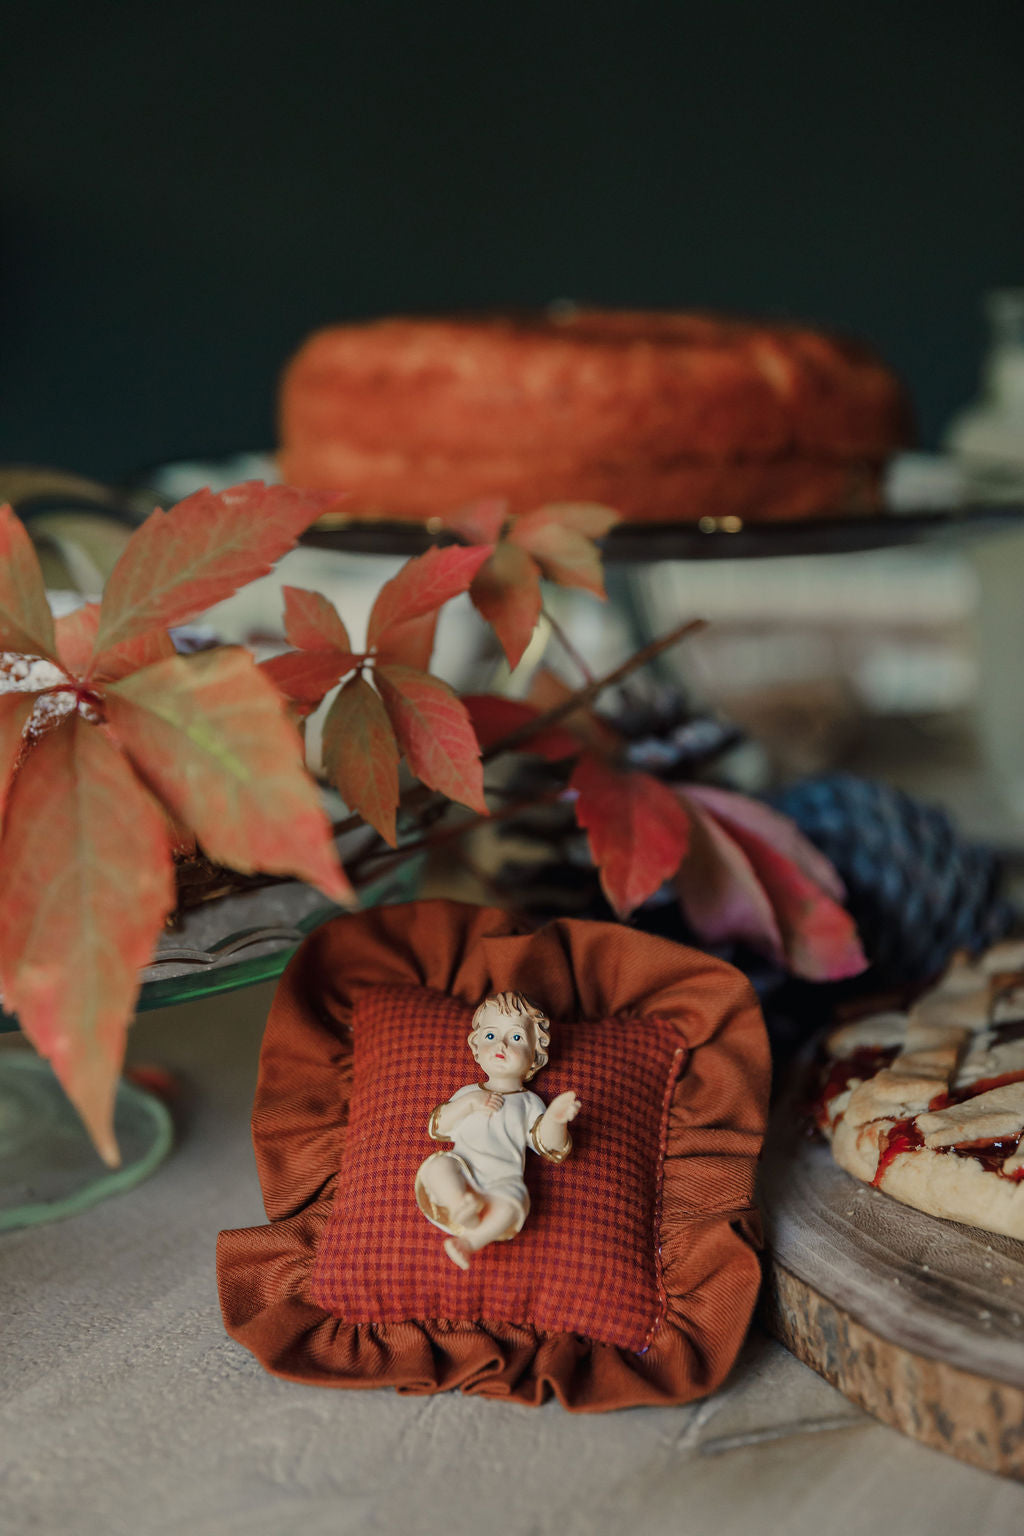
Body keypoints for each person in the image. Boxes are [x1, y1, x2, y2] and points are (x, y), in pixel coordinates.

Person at [414, 991, 581, 1270]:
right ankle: (460, 1205)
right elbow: (439, 1127)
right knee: (438, 1166)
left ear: (535, 1056)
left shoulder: (529, 1103)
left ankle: (469, 1243)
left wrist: (555, 1119)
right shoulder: (468, 1092)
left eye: (516, 1037)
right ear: (476, 1046)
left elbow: (548, 1146)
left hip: (502, 1182)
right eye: (490, 1035)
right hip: (462, 1167)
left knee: (515, 1203)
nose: (501, 1044)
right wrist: (468, 1104)